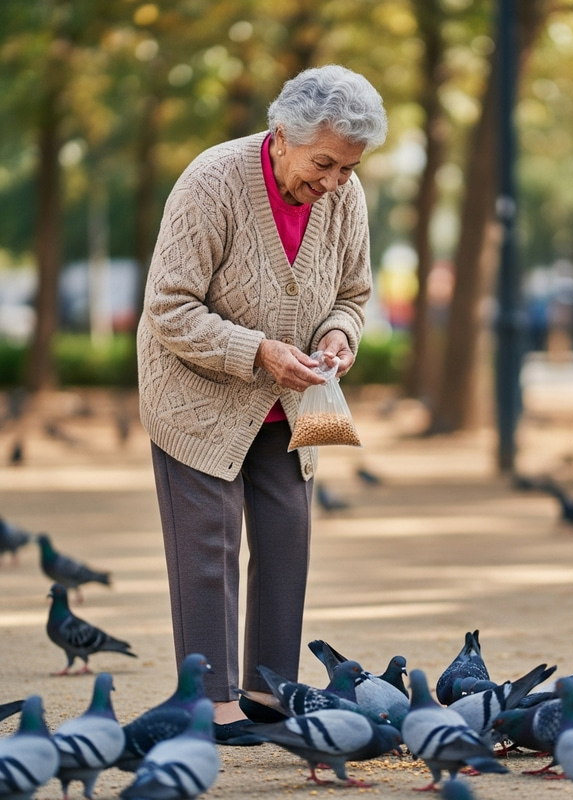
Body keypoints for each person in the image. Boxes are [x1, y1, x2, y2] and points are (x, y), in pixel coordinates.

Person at [136, 64, 387, 743]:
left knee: (286, 540)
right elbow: (169, 307)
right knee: (207, 544)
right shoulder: (212, 180)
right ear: (283, 133)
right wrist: (259, 351)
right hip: (197, 393)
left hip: (294, 396)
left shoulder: (346, 194)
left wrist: (339, 335)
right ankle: (211, 704)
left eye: (348, 167)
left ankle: (268, 695)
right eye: (324, 163)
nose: (333, 181)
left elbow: (354, 296)